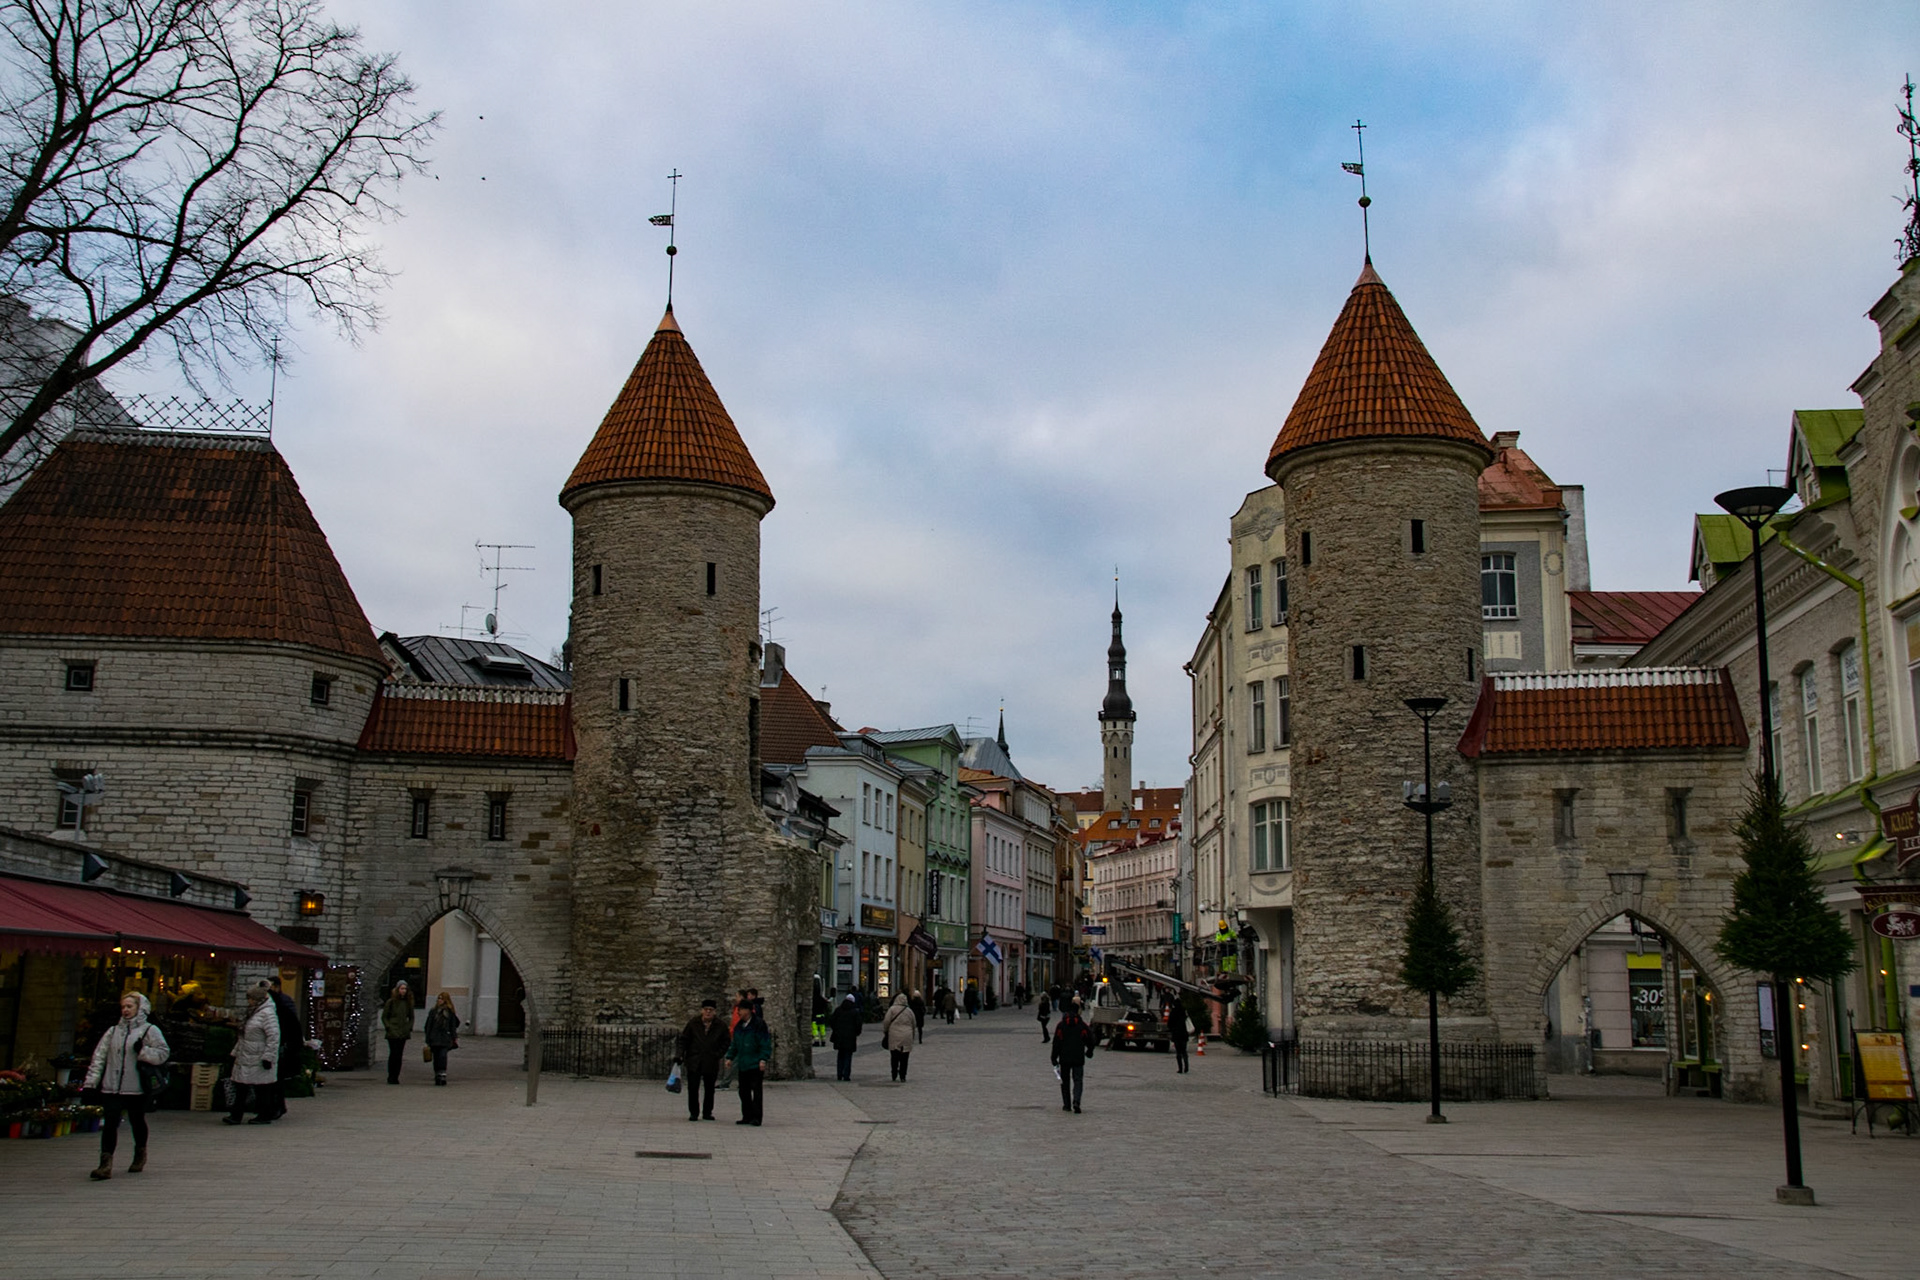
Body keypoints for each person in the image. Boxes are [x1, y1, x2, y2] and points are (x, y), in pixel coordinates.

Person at [83, 992, 169, 1180]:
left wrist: (143, 1051)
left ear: (140, 1008)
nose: (126, 1010)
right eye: (123, 1007)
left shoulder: (149, 1030)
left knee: (137, 1121)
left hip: (136, 1087)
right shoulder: (113, 1031)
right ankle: (105, 1163)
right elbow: (99, 1057)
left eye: (130, 1006)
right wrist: (91, 1083)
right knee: (110, 1124)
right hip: (112, 1086)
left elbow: (163, 1053)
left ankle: (140, 1153)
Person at [226, 981, 281, 1124]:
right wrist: (235, 1052)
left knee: (261, 1088)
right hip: (246, 1055)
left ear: (258, 1000)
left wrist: (268, 1057)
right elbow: (244, 1036)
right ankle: (236, 1115)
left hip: (259, 1056)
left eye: (250, 998)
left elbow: (273, 1036)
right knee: (241, 1086)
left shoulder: (267, 1014)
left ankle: (263, 1115)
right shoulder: (253, 1013)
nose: (248, 1001)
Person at [677, 999, 731, 1121]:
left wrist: (718, 1054)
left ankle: (707, 1112)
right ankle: (694, 1112)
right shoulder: (693, 1023)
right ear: (702, 1010)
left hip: (711, 1060)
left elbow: (726, 1041)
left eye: (710, 1010)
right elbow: (684, 1040)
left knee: (709, 1088)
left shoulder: (720, 1025)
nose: (708, 1012)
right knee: (693, 1088)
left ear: (714, 1012)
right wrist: (680, 1054)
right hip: (694, 1060)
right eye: (706, 1009)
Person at [725, 1004, 773, 1125]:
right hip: (744, 1063)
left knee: (756, 1091)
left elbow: (765, 1042)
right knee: (743, 1091)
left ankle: (756, 1117)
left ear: (747, 1011)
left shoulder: (759, 1024)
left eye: (740, 1010)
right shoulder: (739, 1026)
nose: (738, 1013)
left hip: (755, 1063)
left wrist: (763, 1059)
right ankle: (747, 1115)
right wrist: (730, 1057)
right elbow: (735, 1043)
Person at [264, 976, 303, 1119]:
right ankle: (275, 1106)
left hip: (280, 1046)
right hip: (278, 1046)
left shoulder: (282, 1004)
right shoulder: (276, 1004)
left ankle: (276, 1106)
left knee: (275, 1079)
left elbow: (289, 1025)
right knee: (274, 1079)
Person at [1051, 997, 1095, 1114]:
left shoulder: (1061, 1025)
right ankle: (1076, 1101)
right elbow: (1090, 1039)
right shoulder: (1082, 1025)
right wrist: (1089, 1051)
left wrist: (1054, 1058)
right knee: (1078, 1080)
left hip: (1064, 1058)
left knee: (1064, 1081)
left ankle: (1066, 1104)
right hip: (1078, 1058)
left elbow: (1056, 1042)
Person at [381, 981, 414, 1085]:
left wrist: (408, 1027)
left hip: (403, 1031)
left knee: (399, 1055)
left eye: (405, 989)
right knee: (393, 1054)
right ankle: (391, 1075)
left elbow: (411, 1017)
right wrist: (389, 1027)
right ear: (397, 989)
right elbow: (384, 1016)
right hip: (393, 1030)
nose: (403, 991)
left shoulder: (408, 1002)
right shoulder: (391, 1002)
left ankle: (396, 1076)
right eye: (401, 988)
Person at [424, 992, 461, 1086]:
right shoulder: (433, 1011)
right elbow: (428, 1026)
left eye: (441, 998)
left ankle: (442, 1074)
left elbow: (453, 1026)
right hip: (434, 1038)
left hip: (445, 1038)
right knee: (436, 1057)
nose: (439, 1000)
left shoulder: (449, 1012)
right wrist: (428, 1038)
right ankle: (437, 1075)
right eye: (438, 998)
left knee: (443, 1056)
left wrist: (454, 1037)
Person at [827, 992, 863, 1081]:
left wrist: (836, 1029)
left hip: (839, 1037)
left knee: (840, 1056)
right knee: (848, 1056)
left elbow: (831, 1020)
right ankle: (846, 1075)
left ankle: (839, 1074)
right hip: (850, 1037)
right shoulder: (854, 1012)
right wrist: (856, 1033)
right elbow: (858, 1024)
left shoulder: (838, 1010)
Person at [880, 992, 916, 1081]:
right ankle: (903, 1075)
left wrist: (885, 1031)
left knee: (894, 1055)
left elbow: (886, 1022)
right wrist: (913, 1035)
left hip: (894, 1034)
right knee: (905, 1056)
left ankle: (894, 1073)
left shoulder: (892, 1009)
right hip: (907, 1035)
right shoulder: (909, 1011)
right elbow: (914, 1024)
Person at [1167, 995, 1191, 1073]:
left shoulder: (1173, 1012)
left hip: (1176, 1034)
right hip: (1184, 1034)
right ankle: (1186, 1066)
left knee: (1178, 1052)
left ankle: (1180, 1068)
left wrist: (1171, 1029)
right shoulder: (1184, 1011)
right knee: (1184, 1051)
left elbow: (1169, 1024)